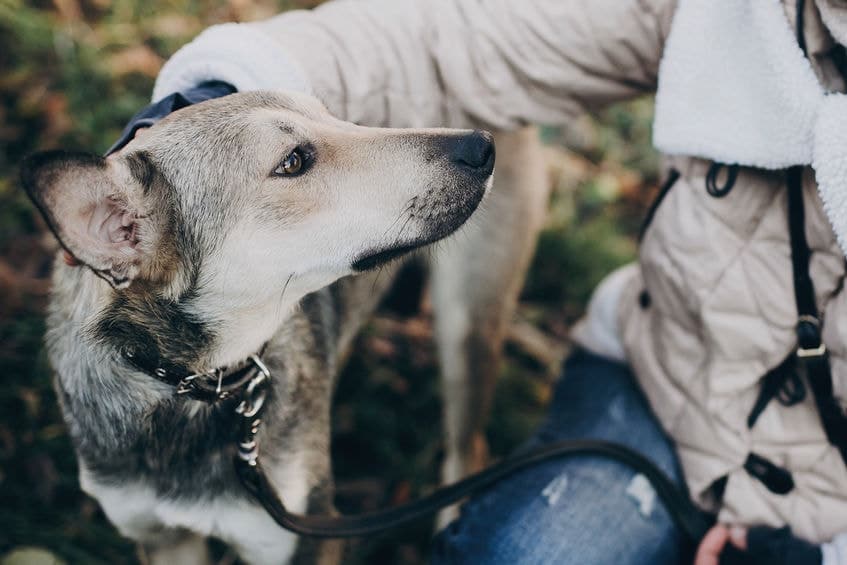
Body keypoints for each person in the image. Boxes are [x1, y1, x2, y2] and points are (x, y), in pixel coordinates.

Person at [131, 0, 847, 563]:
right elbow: (452, 35)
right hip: (669, 380)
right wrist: (210, 101)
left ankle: (458, 453)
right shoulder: (736, 8)